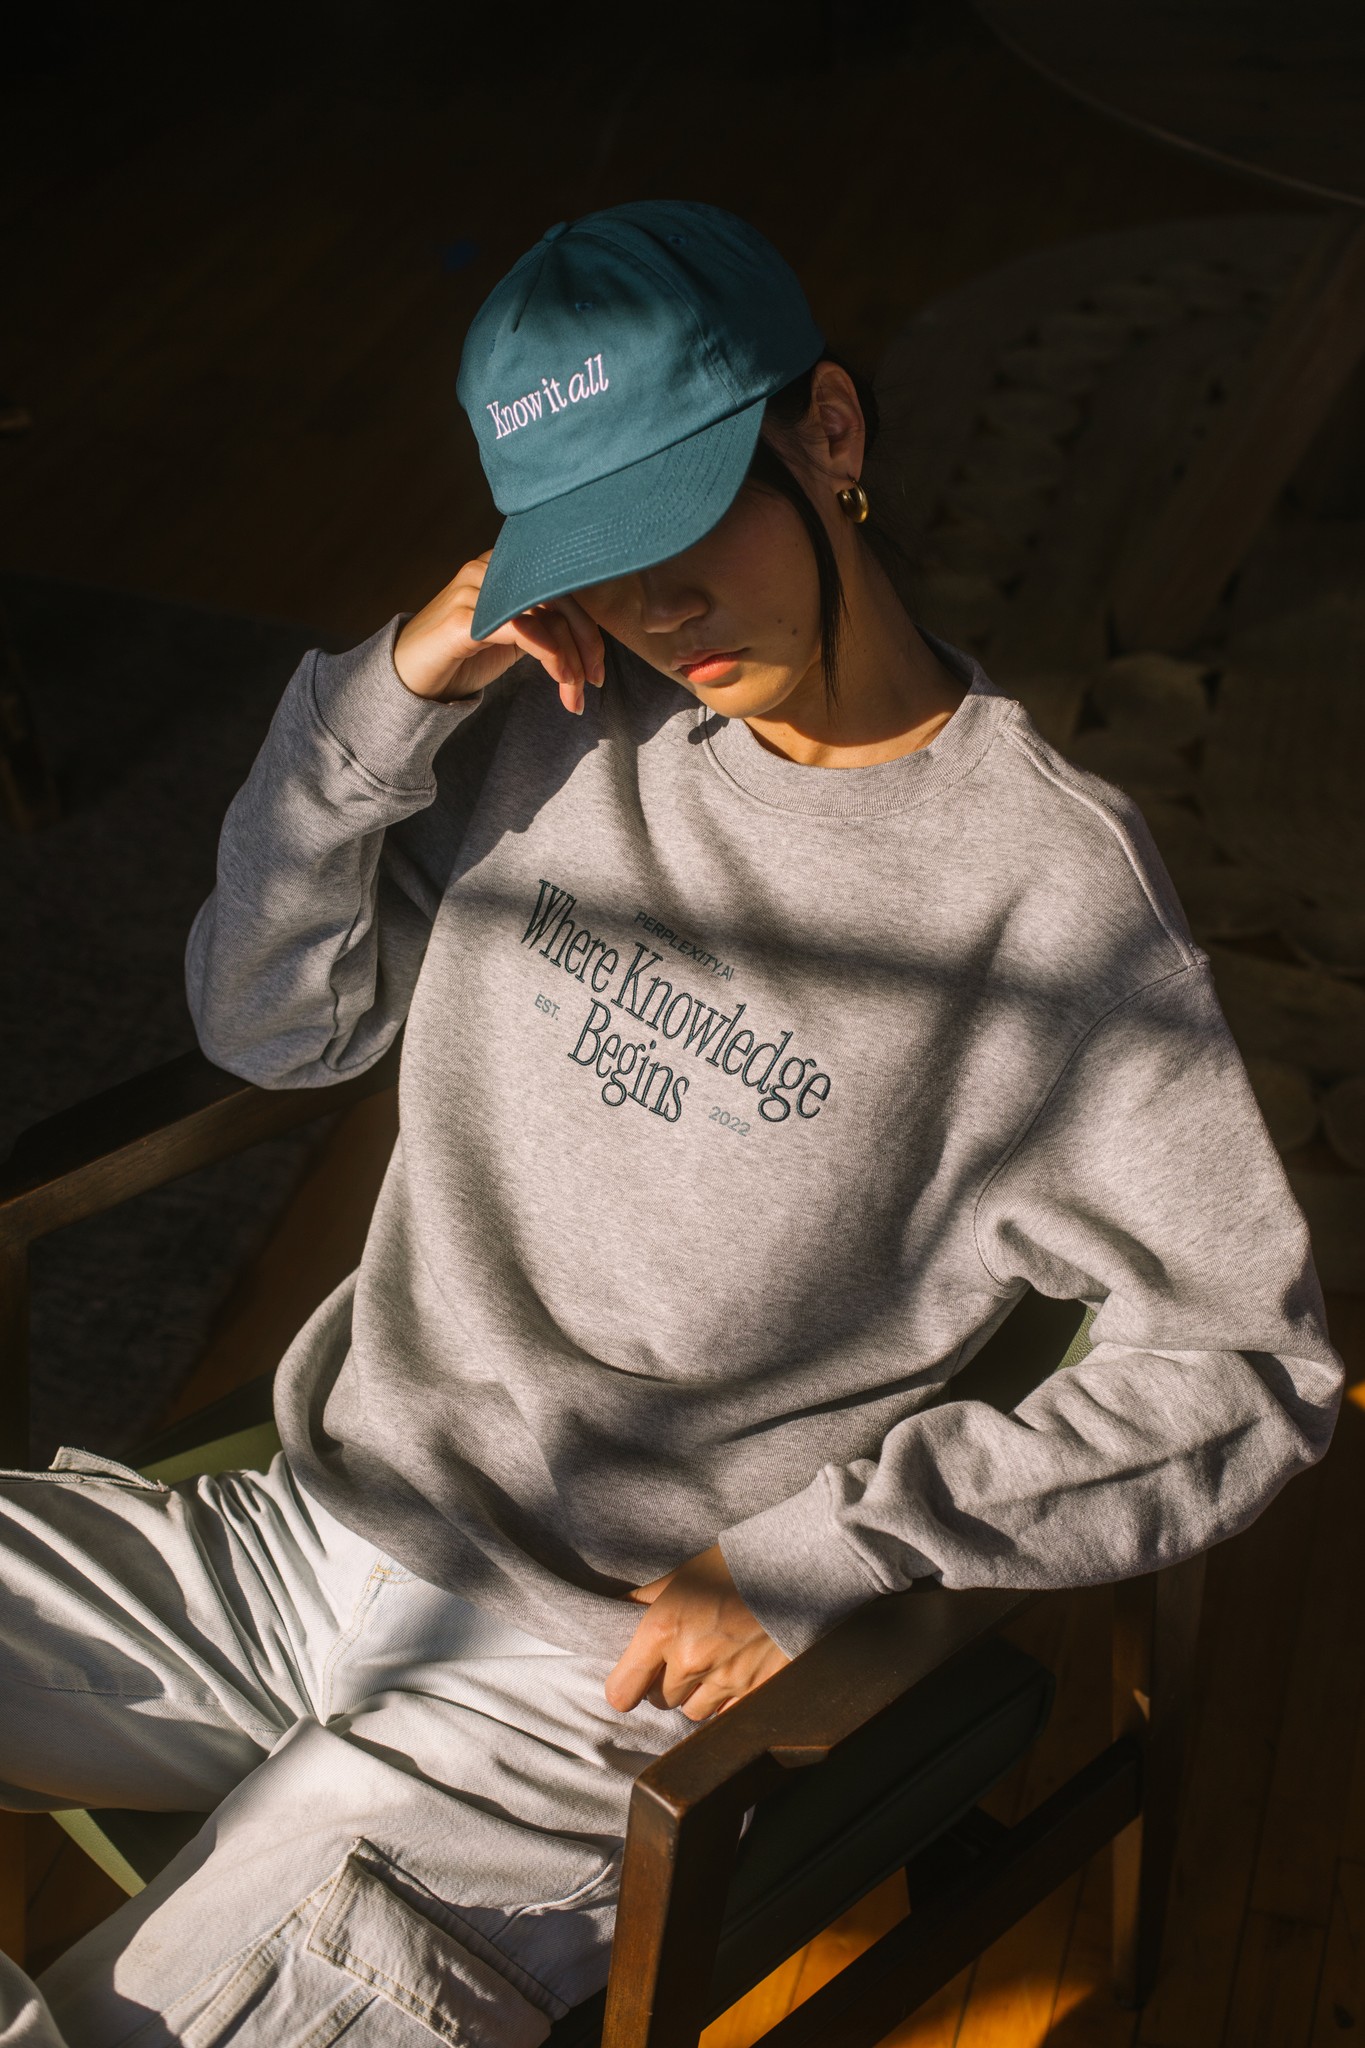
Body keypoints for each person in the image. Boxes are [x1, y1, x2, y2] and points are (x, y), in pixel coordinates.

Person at [0, 199, 1344, 2048]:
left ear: (833, 434)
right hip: (303, 1532)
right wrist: (383, 700)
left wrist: (817, 1554)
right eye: (591, 556)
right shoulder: (558, 718)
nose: (647, 608)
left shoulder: (1047, 902)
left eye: (678, 525)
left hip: (578, 1685)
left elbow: (1241, 1365)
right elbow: (266, 1028)